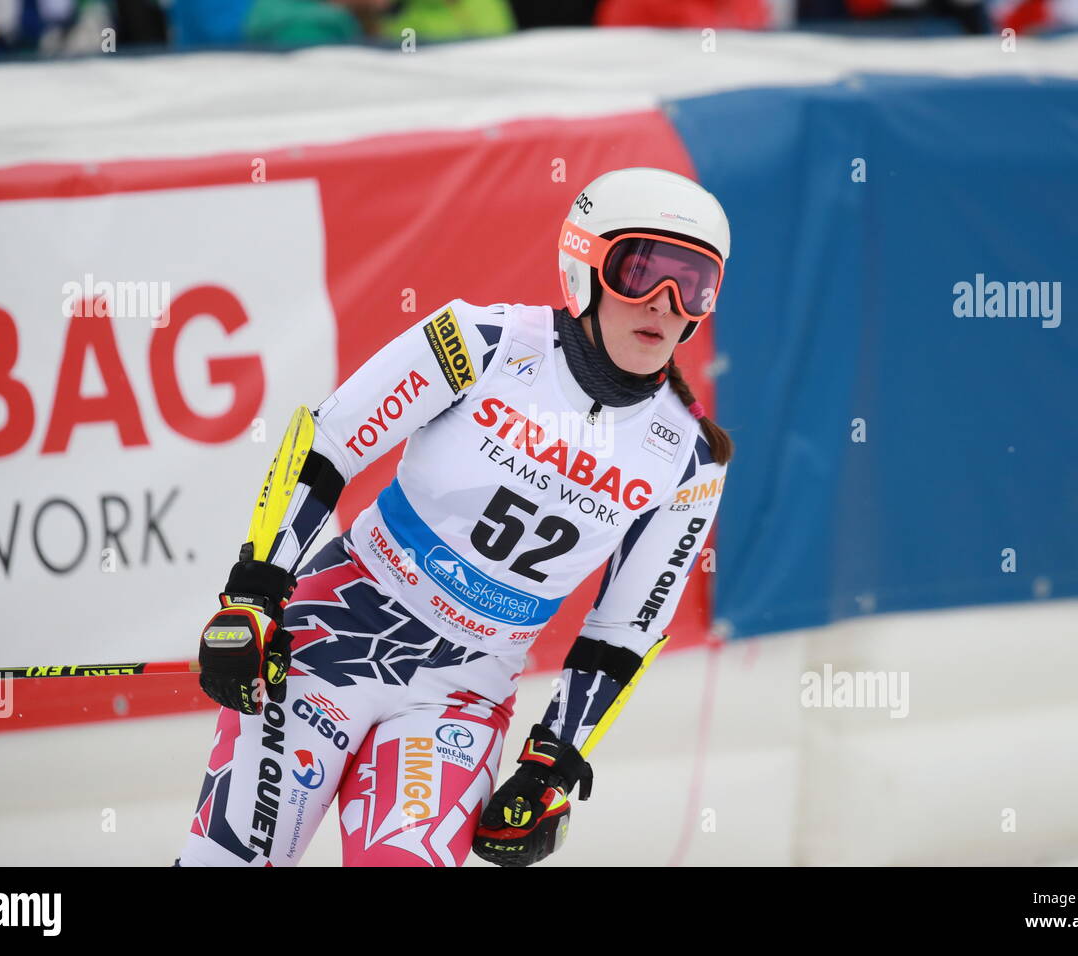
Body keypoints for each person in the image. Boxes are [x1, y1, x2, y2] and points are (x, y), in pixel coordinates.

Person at [177, 166, 733, 867]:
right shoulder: (480, 341)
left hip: (461, 691)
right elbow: (329, 444)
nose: (665, 304)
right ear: (584, 265)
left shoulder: (688, 461)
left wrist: (553, 765)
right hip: (329, 638)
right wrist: (256, 593)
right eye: (641, 271)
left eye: (695, 285)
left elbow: (625, 631)